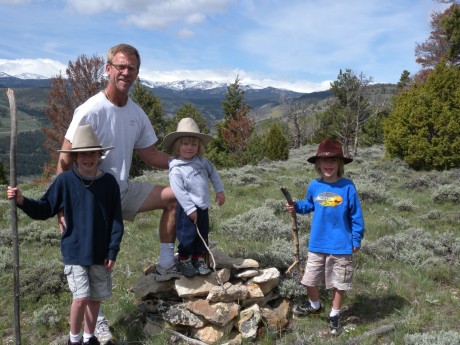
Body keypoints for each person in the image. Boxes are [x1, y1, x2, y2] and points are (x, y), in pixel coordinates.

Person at [56, 43, 178, 344]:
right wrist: (62, 204)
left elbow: (149, 154)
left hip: (121, 191)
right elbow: (65, 156)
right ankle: (94, 323)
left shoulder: (135, 113)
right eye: (120, 66)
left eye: (131, 68)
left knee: (174, 197)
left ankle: (166, 264)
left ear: (137, 73)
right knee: (92, 261)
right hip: (91, 198)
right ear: (108, 69)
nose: (126, 72)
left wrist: (184, 162)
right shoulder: (90, 110)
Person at [7, 125, 124, 345]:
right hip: (75, 251)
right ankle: (74, 339)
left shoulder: (109, 183)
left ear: (100, 155)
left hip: (100, 253)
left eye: (93, 153)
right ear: (75, 157)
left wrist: (112, 250)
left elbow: (117, 220)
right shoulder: (65, 181)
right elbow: (44, 208)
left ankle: (90, 338)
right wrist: (22, 201)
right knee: (80, 298)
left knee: (95, 298)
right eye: (83, 153)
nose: (88, 158)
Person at [286, 139, 365, 335]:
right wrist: (296, 206)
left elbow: (356, 215)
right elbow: (309, 205)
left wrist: (356, 239)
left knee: (340, 283)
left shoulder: (347, 186)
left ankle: (335, 315)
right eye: (324, 161)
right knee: (309, 280)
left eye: (333, 161)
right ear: (318, 164)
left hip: (341, 244)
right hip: (317, 243)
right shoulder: (315, 185)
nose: (328, 165)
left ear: (340, 164)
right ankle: (315, 305)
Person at [163, 117, 226, 277]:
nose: (190, 148)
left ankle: (198, 259)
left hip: (203, 206)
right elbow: (179, 192)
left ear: (199, 146)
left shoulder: (202, 162)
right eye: (185, 144)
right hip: (187, 209)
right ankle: (184, 260)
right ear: (177, 146)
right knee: (187, 235)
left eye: (194, 144)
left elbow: (214, 175)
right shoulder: (177, 169)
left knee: (202, 233)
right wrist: (190, 209)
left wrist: (219, 191)